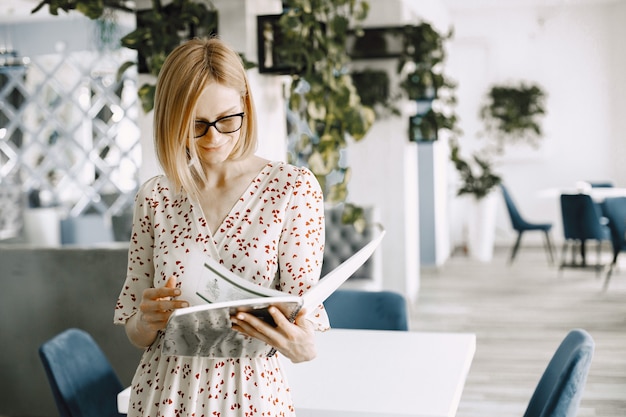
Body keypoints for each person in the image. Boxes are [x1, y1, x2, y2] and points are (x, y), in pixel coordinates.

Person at [114, 37, 329, 417]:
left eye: (227, 120)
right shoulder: (156, 197)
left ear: (246, 105)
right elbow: (135, 330)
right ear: (171, 121)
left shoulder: (291, 188)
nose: (213, 138)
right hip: (163, 394)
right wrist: (146, 321)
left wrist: (302, 347)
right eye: (196, 125)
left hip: (252, 395)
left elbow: (305, 322)